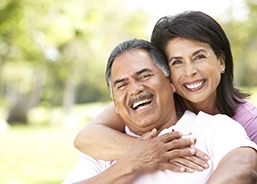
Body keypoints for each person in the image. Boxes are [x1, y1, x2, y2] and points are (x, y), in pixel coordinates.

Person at [73, 11, 257, 171]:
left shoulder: (248, 122)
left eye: (199, 57)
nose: (190, 71)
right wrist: (155, 150)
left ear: (221, 61)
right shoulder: (156, 99)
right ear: (165, 73)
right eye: (177, 62)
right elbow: (86, 138)